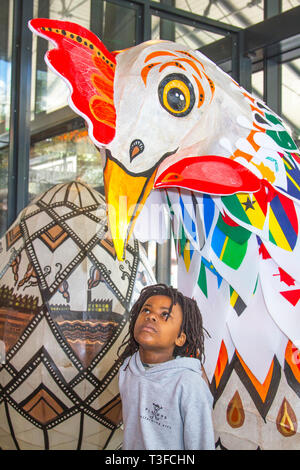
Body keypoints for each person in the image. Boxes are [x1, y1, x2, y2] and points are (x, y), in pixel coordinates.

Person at [117, 283, 215, 450]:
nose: (151, 317)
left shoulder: (189, 384)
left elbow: (201, 444)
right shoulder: (127, 368)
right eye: (146, 310)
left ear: (180, 338)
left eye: (164, 315)